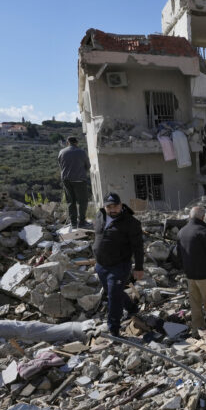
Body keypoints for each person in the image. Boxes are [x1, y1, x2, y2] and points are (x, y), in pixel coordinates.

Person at [93, 193, 144, 337]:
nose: (112, 209)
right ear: (105, 207)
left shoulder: (131, 222)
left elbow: (138, 247)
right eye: (109, 206)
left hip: (119, 265)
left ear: (121, 205)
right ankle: (132, 307)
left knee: (113, 296)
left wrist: (139, 267)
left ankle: (113, 329)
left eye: (115, 206)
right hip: (101, 265)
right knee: (112, 292)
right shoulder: (100, 215)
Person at [175, 205, 206, 334]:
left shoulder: (181, 232)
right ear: (203, 217)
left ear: (190, 216)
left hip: (190, 276)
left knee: (195, 306)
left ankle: (197, 332)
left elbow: (179, 256)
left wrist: (186, 269)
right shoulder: (204, 232)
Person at [58, 136, 91, 228]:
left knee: (70, 201)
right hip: (79, 179)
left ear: (68, 142)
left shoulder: (61, 152)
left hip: (66, 180)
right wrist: (82, 171)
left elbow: (61, 165)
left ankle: (73, 223)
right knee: (82, 201)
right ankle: (82, 222)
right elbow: (88, 166)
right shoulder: (81, 152)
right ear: (76, 143)